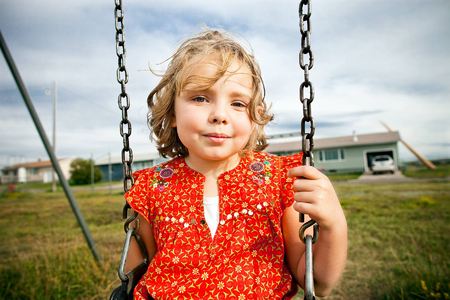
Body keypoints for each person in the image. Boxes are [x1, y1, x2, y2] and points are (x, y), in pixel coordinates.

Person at [125, 29, 347, 300]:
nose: (219, 115)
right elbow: (137, 274)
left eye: (238, 103)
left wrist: (334, 225)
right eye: (200, 98)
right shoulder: (151, 186)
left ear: (254, 116)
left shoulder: (278, 179)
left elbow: (318, 284)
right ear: (172, 113)